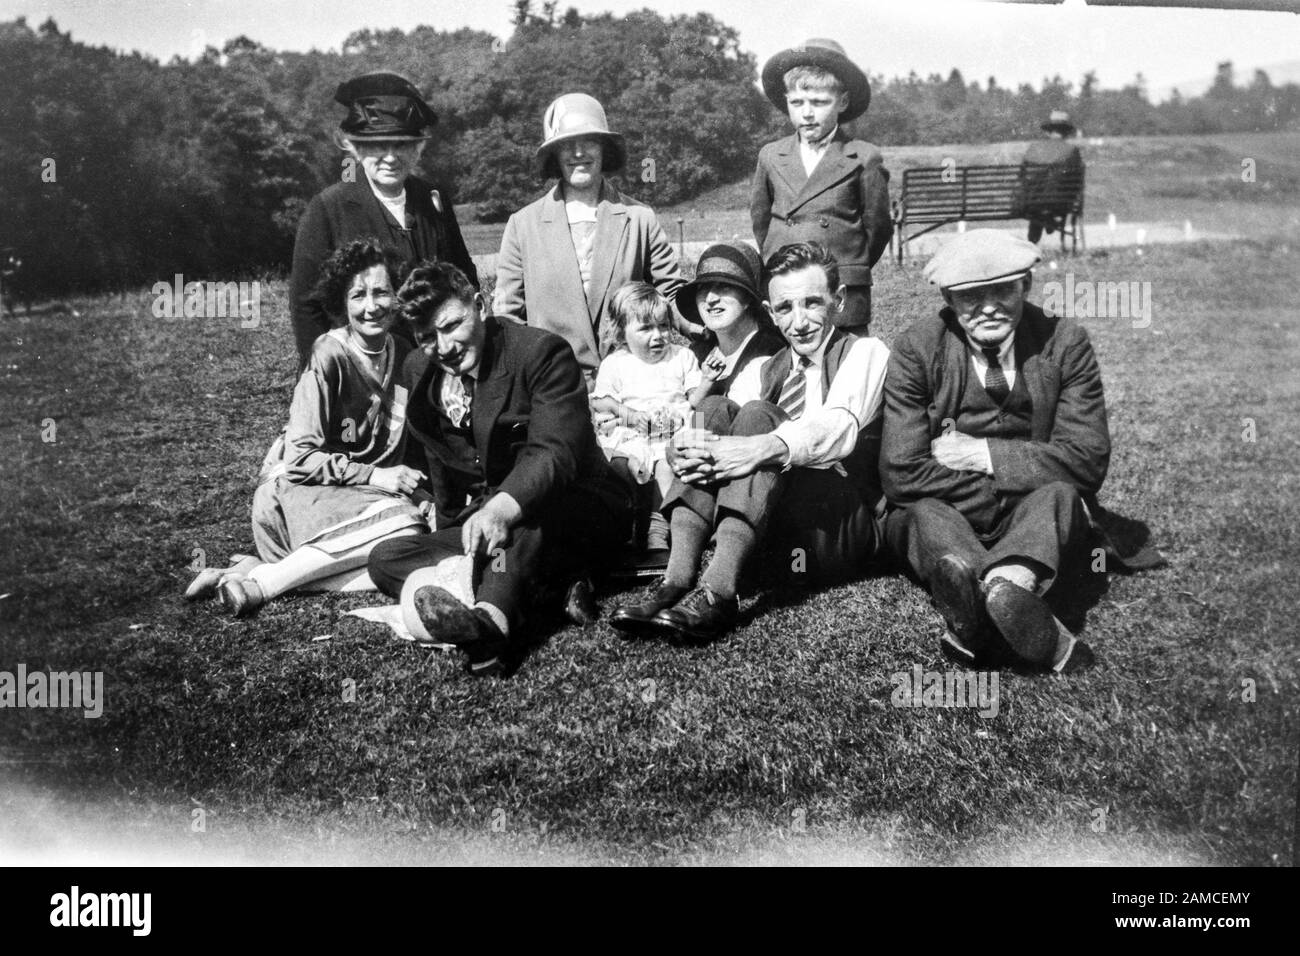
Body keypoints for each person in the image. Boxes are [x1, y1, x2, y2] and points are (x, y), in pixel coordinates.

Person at [611, 241, 890, 642]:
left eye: (812, 303)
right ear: (771, 311)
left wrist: (758, 447)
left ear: (839, 300)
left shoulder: (864, 352)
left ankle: (721, 591)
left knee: (758, 415)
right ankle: (677, 579)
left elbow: (837, 428)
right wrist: (680, 446)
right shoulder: (769, 366)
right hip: (775, 521)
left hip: (835, 522)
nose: (799, 322)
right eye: (785, 308)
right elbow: (719, 421)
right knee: (717, 408)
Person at [367, 262, 633, 678]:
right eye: (426, 338)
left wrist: (500, 510)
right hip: (501, 523)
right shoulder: (420, 369)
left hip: (577, 508)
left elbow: (554, 453)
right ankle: (548, 588)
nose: (444, 346)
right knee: (386, 558)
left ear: (480, 304)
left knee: (520, 522)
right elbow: (440, 459)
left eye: (452, 325)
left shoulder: (542, 353)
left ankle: (490, 630)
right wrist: (457, 523)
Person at [880, 229, 1108, 672]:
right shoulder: (916, 349)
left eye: (1003, 290)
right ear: (948, 297)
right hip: (949, 511)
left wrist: (982, 454)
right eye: (970, 296)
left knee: (1061, 496)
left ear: (1026, 285)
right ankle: (1012, 598)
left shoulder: (1065, 343)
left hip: (1031, 508)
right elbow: (900, 471)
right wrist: (1014, 480)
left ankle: (986, 601)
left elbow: (1087, 461)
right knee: (923, 514)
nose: (988, 306)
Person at [185, 238, 429, 616]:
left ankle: (257, 574)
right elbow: (300, 459)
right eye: (357, 295)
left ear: (398, 296)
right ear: (341, 302)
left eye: (381, 292)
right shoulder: (328, 354)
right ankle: (262, 586)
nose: (370, 306)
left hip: (358, 505)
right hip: (297, 494)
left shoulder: (402, 353)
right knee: (405, 525)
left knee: (411, 548)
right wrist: (377, 476)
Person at [289, 72, 478, 371]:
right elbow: (307, 307)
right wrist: (324, 376)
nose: (390, 157)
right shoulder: (328, 208)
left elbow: (463, 275)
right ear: (357, 147)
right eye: (379, 145)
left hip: (438, 364)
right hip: (363, 372)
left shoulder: (433, 199)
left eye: (401, 144)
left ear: (417, 148)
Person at [492, 93, 688, 381]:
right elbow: (507, 317)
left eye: (589, 142)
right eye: (566, 145)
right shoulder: (522, 225)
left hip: (632, 379)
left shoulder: (639, 217)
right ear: (554, 155)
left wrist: (708, 329)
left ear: (604, 149)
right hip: (551, 383)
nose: (578, 153)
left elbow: (671, 294)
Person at [751, 39, 892, 333]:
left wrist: (851, 265)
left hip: (841, 286)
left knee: (846, 362)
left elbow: (877, 228)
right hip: (788, 284)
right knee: (789, 361)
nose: (807, 113)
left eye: (819, 102)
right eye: (797, 103)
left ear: (842, 102)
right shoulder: (771, 155)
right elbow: (761, 222)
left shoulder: (863, 157)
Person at [591, 282, 703, 556]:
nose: (658, 336)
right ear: (621, 332)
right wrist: (628, 416)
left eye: (663, 326)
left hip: (672, 434)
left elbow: (697, 402)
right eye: (645, 328)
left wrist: (707, 384)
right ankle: (626, 529)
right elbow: (599, 404)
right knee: (622, 465)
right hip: (632, 435)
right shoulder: (616, 364)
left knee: (667, 464)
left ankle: (658, 527)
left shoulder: (682, 358)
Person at [675, 242, 786, 403]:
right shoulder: (696, 353)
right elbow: (692, 414)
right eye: (704, 289)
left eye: (724, 287)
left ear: (748, 297)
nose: (711, 299)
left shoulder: (771, 352)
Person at [1022, 110, 1085, 245]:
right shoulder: (1071, 150)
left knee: (1038, 199)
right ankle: (1050, 220)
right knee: (1053, 194)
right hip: (1059, 202)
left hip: (1032, 202)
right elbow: (1077, 181)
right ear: (1067, 132)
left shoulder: (1034, 148)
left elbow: (1023, 175)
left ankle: (1033, 241)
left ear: (1048, 131)